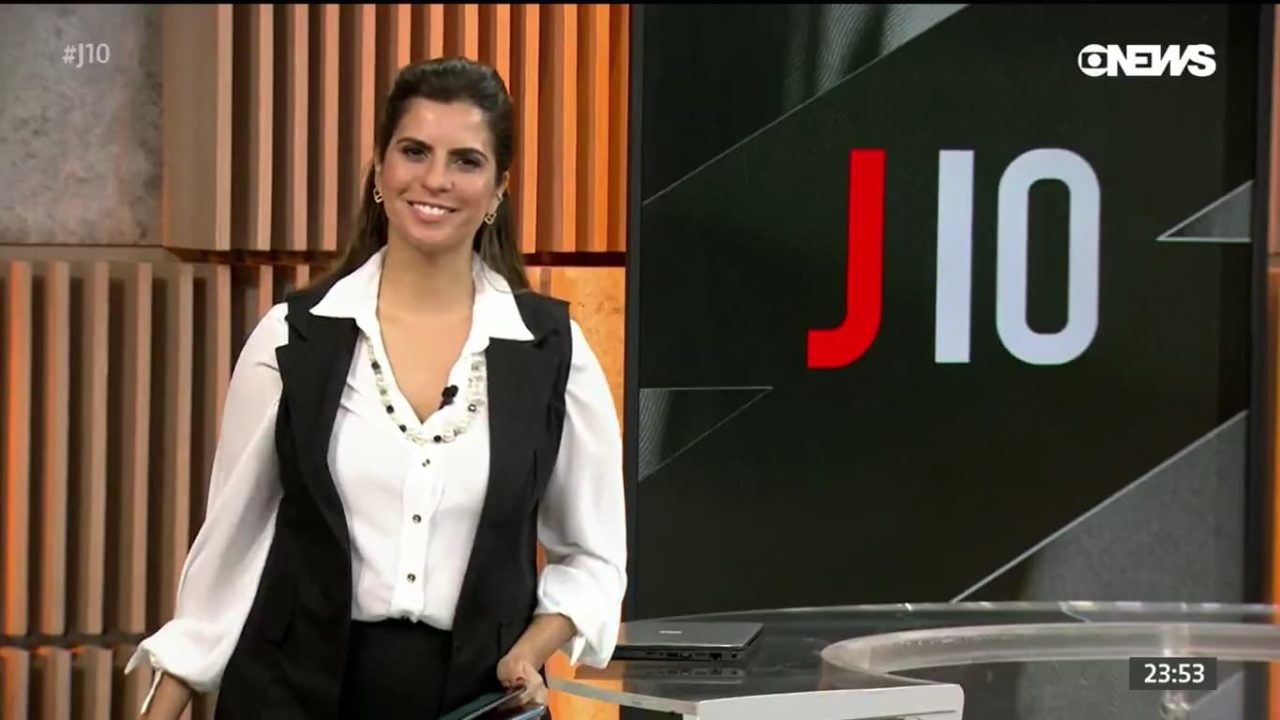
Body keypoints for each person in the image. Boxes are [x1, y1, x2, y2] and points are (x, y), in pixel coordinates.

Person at [127, 57, 628, 719]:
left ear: (498, 191)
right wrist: (163, 703)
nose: (435, 179)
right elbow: (230, 553)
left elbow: (594, 555)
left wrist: (531, 650)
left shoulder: (553, 353)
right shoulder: (292, 339)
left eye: (466, 161)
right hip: (289, 699)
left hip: (470, 702)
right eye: (414, 151)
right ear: (379, 170)